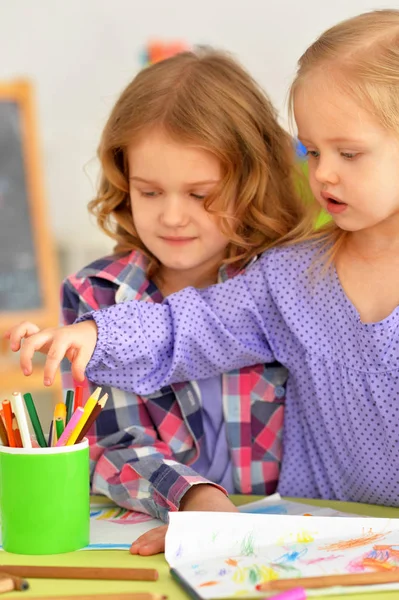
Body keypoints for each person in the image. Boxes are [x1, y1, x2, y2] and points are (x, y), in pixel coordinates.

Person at [6, 49, 313, 554]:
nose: (172, 217)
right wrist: (195, 500)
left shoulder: (283, 283)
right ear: (124, 181)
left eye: (200, 194)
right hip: (157, 528)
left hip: (289, 531)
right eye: (150, 192)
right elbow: (110, 445)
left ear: (252, 182)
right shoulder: (95, 297)